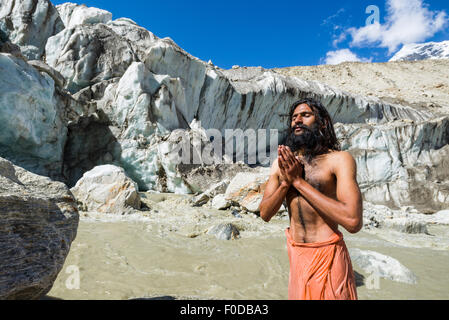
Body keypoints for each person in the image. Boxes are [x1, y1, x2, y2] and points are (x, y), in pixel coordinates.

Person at [259, 98, 363, 300]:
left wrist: (298, 183)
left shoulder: (338, 160)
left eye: (305, 115)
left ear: (322, 122)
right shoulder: (281, 165)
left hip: (329, 257)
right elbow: (264, 213)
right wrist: (285, 183)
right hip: (297, 257)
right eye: (294, 117)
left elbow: (353, 221)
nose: (297, 120)